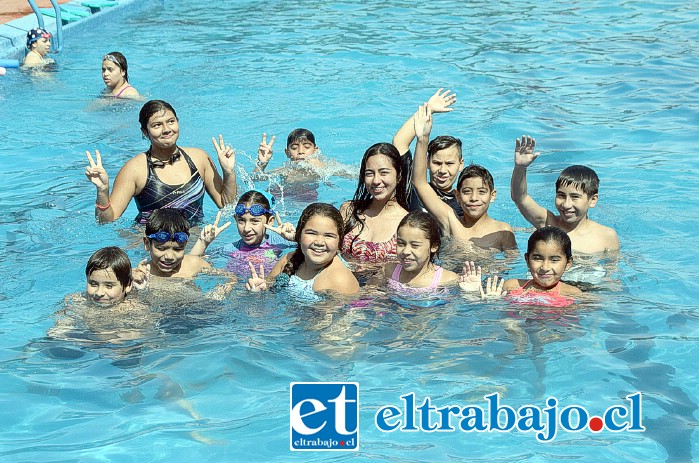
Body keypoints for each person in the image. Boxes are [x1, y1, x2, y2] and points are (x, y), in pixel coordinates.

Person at [85, 100, 237, 224]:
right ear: (145, 132)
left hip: (194, 242)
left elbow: (226, 205)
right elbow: (106, 221)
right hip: (153, 249)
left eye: (171, 121)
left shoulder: (199, 159)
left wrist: (228, 172)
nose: (166, 129)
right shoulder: (135, 170)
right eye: (157, 125)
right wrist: (103, 191)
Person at [412, 104, 517, 251]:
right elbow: (419, 183)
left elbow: (512, 264)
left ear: (492, 195)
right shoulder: (451, 221)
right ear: (457, 195)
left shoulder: (503, 231)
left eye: (481, 191)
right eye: (467, 191)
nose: (474, 198)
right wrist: (422, 139)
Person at [510, 135, 620, 254]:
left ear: (593, 200)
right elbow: (520, 198)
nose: (566, 204)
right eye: (561, 196)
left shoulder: (607, 236)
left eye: (575, 197)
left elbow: (612, 270)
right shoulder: (549, 224)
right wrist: (520, 168)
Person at [246, 203, 359, 300]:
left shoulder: (339, 279)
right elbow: (269, 293)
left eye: (329, 236)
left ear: (339, 241)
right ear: (299, 235)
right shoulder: (288, 259)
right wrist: (259, 292)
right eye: (311, 233)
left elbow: (342, 322)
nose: (319, 242)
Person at [47, 246, 154, 343]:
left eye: (109, 286)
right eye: (93, 284)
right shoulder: (76, 301)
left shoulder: (134, 309)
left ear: (127, 286)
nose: (99, 293)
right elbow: (57, 331)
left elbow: (145, 335)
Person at [190, 190, 294, 276]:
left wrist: (294, 237)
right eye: (241, 220)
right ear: (236, 219)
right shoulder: (229, 250)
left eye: (254, 221)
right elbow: (191, 263)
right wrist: (203, 242)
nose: (246, 228)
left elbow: (308, 249)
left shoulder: (281, 243)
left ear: (270, 221)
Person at [393, 88, 462, 215]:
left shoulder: (464, 202)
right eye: (437, 163)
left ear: (460, 164)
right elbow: (399, 142)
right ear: (427, 162)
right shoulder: (412, 187)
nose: (442, 170)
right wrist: (428, 109)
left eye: (449, 163)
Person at [477, 226, 582, 307]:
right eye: (537, 258)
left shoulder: (573, 294)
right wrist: (490, 301)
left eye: (554, 260)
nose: (545, 267)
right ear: (527, 260)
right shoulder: (510, 286)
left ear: (568, 263)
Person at [340, 143, 410, 263]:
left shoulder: (407, 223)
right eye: (369, 173)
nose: (376, 180)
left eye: (384, 172)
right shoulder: (349, 210)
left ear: (398, 176)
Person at [142, 208, 211, 278]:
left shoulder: (195, 265)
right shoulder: (139, 275)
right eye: (161, 249)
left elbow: (220, 276)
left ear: (185, 245)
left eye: (178, 249)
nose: (169, 257)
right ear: (147, 243)